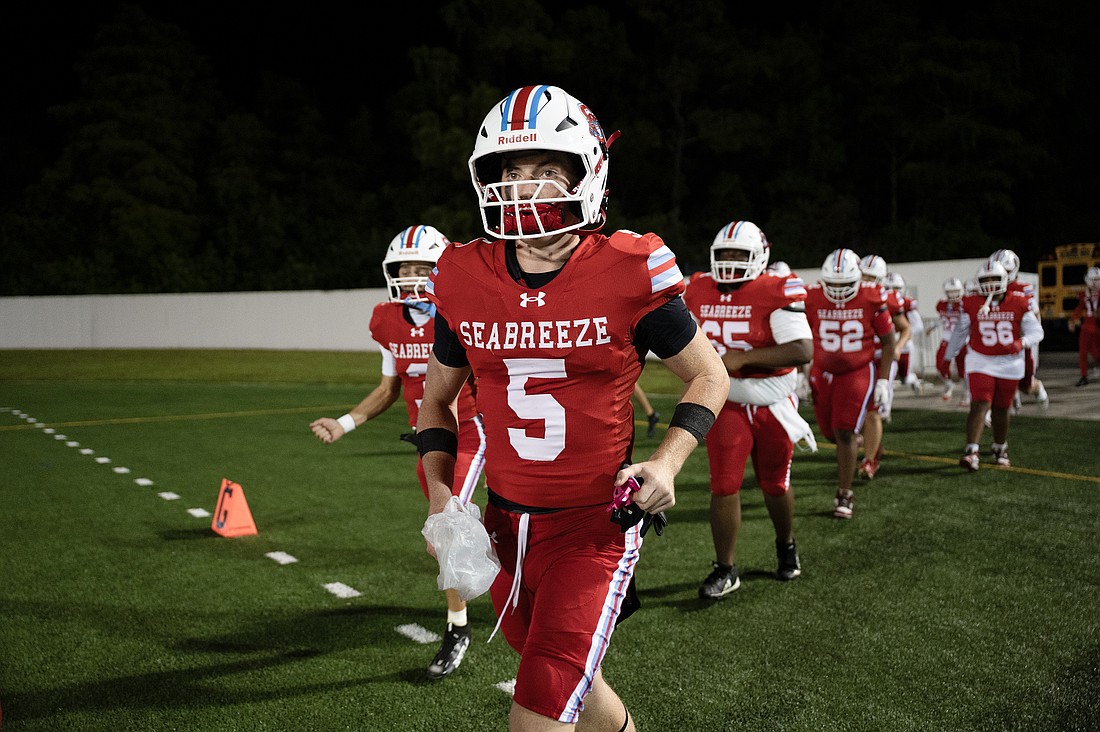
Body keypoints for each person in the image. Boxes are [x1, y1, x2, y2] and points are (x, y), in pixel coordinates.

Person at [415, 85, 728, 731]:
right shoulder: (463, 275)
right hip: (503, 526)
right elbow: (436, 400)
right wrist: (442, 497)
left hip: (594, 530)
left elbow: (709, 375)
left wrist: (668, 461)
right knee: (568, 682)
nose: (524, 189)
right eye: (510, 172)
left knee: (539, 705)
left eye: (546, 171)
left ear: (588, 173)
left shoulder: (627, 269)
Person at [309, 225, 487, 680]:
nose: (411, 277)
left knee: (444, 532)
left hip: (468, 432)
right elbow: (390, 387)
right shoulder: (387, 320)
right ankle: (496, 567)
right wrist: (345, 423)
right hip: (427, 440)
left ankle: (458, 627)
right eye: (404, 269)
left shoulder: (459, 313)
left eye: (422, 268)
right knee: (450, 537)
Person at [683, 220, 813, 598]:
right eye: (723, 254)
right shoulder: (699, 287)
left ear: (760, 256)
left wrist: (744, 358)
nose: (729, 262)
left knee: (775, 484)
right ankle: (725, 567)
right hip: (726, 400)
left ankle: (785, 544)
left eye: (739, 255)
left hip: (772, 399)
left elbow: (803, 350)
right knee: (724, 484)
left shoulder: (776, 288)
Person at [805, 249, 895, 519]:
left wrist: (882, 380)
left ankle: (844, 493)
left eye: (845, 284)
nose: (839, 291)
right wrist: (800, 372)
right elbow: (802, 335)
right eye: (833, 284)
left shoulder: (871, 297)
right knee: (830, 433)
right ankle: (855, 441)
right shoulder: (812, 297)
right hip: (822, 371)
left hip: (857, 371)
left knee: (843, 432)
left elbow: (889, 341)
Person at [945, 259, 1044, 471]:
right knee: (980, 403)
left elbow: (1037, 332)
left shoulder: (1019, 301)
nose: (990, 284)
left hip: (1010, 362)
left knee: (1001, 408)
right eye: (985, 279)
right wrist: (948, 356)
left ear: (1005, 280)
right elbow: (960, 332)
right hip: (980, 359)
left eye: (994, 279)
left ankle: (1000, 446)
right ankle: (971, 451)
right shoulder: (971, 302)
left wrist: (1021, 342)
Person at [854, 255, 909, 479]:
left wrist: (898, 347)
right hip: (861, 360)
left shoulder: (887, 298)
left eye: (871, 277)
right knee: (860, 411)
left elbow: (906, 328)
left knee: (873, 411)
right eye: (863, 276)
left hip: (882, 359)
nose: (866, 281)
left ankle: (870, 461)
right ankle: (874, 446)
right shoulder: (852, 295)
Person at [989, 249, 1048, 409]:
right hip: (1000, 341)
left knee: (1026, 386)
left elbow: (1035, 315)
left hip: (1019, 342)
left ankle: (1037, 387)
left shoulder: (1022, 288)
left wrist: (1030, 338)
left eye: (1005, 270)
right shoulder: (990, 288)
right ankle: (1004, 407)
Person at [883, 272, 924, 395]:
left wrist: (897, 336)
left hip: (904, 347)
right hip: (887, 347)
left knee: (904, 378)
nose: (892, 291)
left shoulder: (906, 304)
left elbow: (918, 326)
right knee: (887, 377)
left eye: (896, 288)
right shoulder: (879, 302)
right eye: (887, 288)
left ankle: (914, 381)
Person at [935, 277, 968, 402]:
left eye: (955, 291)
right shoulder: (942, 305)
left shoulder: (965, 303)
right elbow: (943, 319)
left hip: (962, 340)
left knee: (962, 368)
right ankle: (949, 384)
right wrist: (933, 327)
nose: (953, 294)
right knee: (940, 364)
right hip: (947, 339)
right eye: (950, 292)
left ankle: (966, 392)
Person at [1067, 266, 1100, 386]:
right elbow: (1079, 308)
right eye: (1095, 280)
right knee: (1083, 351)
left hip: (1096, 325)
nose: (1098, 282)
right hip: (1088, 324)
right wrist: (1072, 320)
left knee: (1096, 352)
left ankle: (1097, 365)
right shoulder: (1084, 293)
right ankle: (1084, 376)